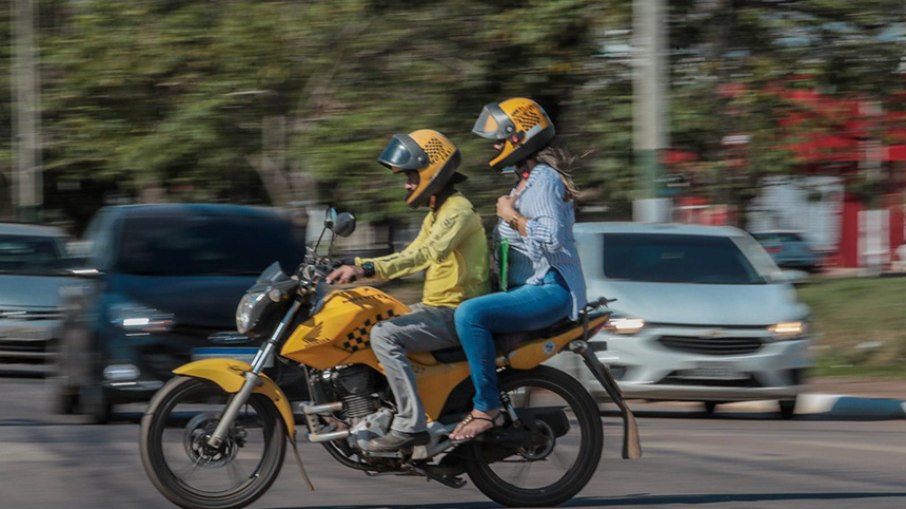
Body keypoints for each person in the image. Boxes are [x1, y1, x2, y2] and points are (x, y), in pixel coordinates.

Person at [327, 129, 489, 451]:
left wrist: (364, 268)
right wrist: (352, 262)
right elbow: (408, 253)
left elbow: (422, 257)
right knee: (362, 326)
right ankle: (360, 411)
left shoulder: (458, 210)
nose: (407, 184)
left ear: (433, 170)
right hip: (436, 308)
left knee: (385, 335)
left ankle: (411, 425)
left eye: (411, 177)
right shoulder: (437, 213)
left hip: (456, 312)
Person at [450, 97, 587, 441]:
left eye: (500, 138)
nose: (494, 146)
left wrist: (511, 216)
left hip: (552, 289)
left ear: (521, 137)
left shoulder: (543, 180)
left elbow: (552, 239)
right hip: (532, 288)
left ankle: (487, 407)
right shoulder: (523, 183)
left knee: (470, 315)